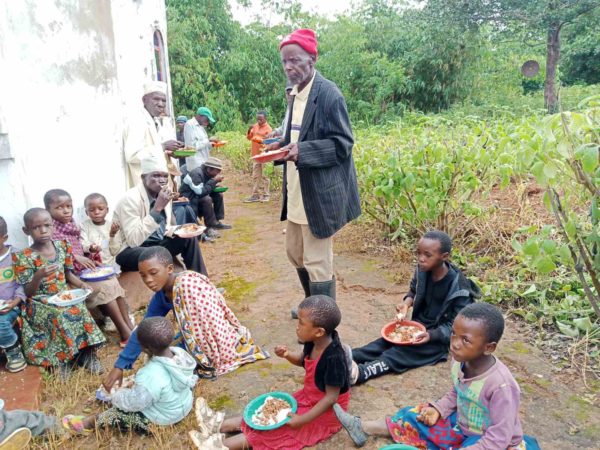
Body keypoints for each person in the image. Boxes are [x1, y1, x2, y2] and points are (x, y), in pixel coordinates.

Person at [334, 303, 541, 450]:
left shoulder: (502, 386)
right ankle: (363, 427)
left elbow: (500, 437)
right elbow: (458, 392)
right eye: (454, 334)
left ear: (489, 347)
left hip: (492, 440)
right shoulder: (460, 361)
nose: (455, 343)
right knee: (416, 415)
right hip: (462, 424)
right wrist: (439, 410)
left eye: (466, 340)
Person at [264, 29, 361, 317]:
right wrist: (281, 145)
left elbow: (342, 144)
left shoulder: (329, 94)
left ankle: (323, 321)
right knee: (295, 253)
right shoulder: (294, 95)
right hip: (297, 188)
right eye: (284, 61)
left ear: (312, 59)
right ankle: (312, 305)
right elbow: (298, 134)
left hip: (318, 192)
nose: (288, 67)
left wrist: (302, 151)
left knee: (318, 261)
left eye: (295, 60)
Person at [103, 247, 267, 391]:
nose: (148, 280)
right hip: (195, 339)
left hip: (217, 339)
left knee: (166, 360)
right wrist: (120, 366)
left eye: (153, 273)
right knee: (161, 353)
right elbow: (144, 328)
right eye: (143, 276)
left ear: (169, 269)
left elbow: (211, 326)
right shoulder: (161, 294)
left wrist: (193, 354)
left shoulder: (188, 285)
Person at [201, 295, 350, 450]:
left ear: (319, 332)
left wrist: (302, 420)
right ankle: (218, 425)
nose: (297, 327)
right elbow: (302, 360)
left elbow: (331, 398)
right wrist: (287, 355)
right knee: (270, 412)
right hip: (309, 397)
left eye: (301, 322)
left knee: (276, 430)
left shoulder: (334, 358)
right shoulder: (313, 342)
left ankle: (219, 446)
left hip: (326, 414)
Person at [351, 231, 481, 385]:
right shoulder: (422, 271)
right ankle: (347, 357)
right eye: (418, 253)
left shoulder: (460, 289)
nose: (421, 258)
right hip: (416, 327)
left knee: (398, 354)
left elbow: (456, 329)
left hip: (437, 339)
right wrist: (406, 304)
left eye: (427, 255)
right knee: (381, 344)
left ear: (444, 256)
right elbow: (414, 290)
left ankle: (362, 372)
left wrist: (431, 336)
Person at [62, 317, 198, 435]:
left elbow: (135, 402)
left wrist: (115, 396)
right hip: (183, 407)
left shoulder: (150, 375)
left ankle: (89, 423)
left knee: (115, 414)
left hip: (163, 419)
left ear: (146, 348)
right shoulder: (180, 354)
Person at [12, 208, 106, 378]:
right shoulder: (23, 257)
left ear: (53, 226)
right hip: (38, 301)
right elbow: (28, 292)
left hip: (63, 295)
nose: (43, 231)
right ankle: (63, 360)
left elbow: (68, 274)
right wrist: (38, 276)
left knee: (80, 308)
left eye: (47, 225)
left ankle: (87, 353)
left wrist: (82, 284)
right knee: (59, 313)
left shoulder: (63, 246)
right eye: (36, 227)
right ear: (26, 230)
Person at [44, 189, 134, 345]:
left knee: (112, 280)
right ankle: (125, 334)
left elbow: (80, 250)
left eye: (68, 206)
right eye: (59, 207)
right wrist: (73, 257)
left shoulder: (70, 226)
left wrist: (92, 260)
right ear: (48, 210)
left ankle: (130, 327)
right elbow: (52, 257)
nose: (66, 211)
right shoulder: (49, 230)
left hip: (81, 272)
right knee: (106, 287)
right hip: (68, 278)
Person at [113, 154, 208, 275]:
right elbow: (133, 240)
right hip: (130, 250)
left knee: (189, 239)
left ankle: (201, 280)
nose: (162, 180)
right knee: (156, 252)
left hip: (156, 244)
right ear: (143, 177)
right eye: (156, 175)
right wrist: (157, 209)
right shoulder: (130, 199)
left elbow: (166, 227)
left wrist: (181, 230)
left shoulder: (162, 194)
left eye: (165, 176)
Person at [123, 80, 182, 188]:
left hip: (157, 185)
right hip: (145, 185)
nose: (161, 104)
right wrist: (163, 146)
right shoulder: (137, 121)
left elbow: (153, 150)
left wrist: (169, 153)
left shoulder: (154, 121)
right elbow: (132, 156)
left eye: (163, 100)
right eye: (156, 99)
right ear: (144, 100)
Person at [180, 157, 232, 239]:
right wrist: (214, 181)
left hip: (196, 196)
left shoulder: (207, 173)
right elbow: (200, 192)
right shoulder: (197, 174)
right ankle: (210, 227)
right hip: (190, 198)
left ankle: (216, 222)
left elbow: (205, 187)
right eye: (217, 170)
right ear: (209, 169)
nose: (219, 173)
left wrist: (215, 186)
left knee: (219, 195)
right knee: (207, 199)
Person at [0, 216, 27, 373]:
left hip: (12, 304)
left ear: (4, 238)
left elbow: (23, 283)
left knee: (1, 323)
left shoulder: (16, 256)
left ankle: (13, 350)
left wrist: (15, 301)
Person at [80, 193, 123, 267]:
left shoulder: (112, 226)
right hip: (92, 265)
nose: (97, 212)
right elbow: (82, 244)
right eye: (92, 210)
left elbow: (115, 251)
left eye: (101, 209)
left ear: (107, 210)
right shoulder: (83, 226)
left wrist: (112, 235)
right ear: (86, 212)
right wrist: (90, 248)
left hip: (110, 265)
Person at [244, 110, 273, 203]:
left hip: (265, 155)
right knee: (256, 176)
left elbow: (270, 143)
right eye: (257, 119)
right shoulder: (255, 126)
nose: (259, 121)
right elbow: (249, 137)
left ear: (265, 118)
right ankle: (255, 195)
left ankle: (266, 195)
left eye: (260, 119)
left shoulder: (268, 129)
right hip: (256, 155)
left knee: (265, 176)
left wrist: (262, 141)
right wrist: (249, 130)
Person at [184, 106, 217, 172]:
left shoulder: (201, 127)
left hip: (204, 162)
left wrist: (212, 144)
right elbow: (192, 147)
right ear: (200, 116)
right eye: (207, 119)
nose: (208, 122)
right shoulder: (190, 125)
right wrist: (208, 140)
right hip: (196, 165)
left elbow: (204, 146)